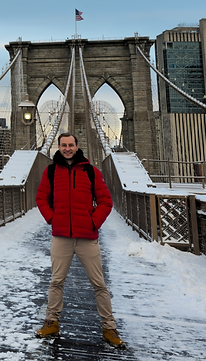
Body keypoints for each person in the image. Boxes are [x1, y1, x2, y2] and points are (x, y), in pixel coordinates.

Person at [34, 132, 125, 348]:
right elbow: (41, 198)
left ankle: (109, 328)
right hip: (61, 236)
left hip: (87, 237)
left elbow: (105, 201)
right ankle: (51, 322)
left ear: (77, 146)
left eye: (70, 145)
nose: (67, 148)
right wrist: (52, 218)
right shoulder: (51, 171)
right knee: (56, 281)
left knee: (99, 284)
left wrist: (93, 222)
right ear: (59, 146)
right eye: (63, 145)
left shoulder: (91, 172)